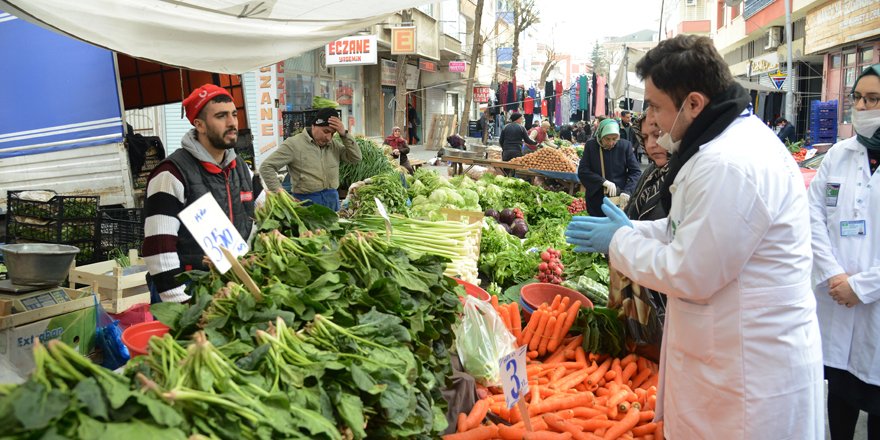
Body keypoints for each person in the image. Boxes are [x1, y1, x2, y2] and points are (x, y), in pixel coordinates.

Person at [565, 34, 824, 439]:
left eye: (655, 106)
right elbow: (687, 231)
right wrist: (633, 229)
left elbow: (691, 272)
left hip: (746, 381)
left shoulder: (730, 164)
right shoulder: (720, 146)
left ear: (695, 104)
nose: (650, 120)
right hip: (724, 361)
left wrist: (618, 243)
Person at [808, 63, 880, 440]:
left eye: (874, 99)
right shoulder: (839, 155)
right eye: (858, 98)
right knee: (839, 402)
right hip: (835, 301)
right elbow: (813, 214)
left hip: (875, 312)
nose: (863, 107)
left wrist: (863, 286)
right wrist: (834, 275)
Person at [143, 84, 262, 303]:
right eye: (221, 116)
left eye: (234, 115)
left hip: (231, 285)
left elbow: (264, 216)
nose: (232, 123)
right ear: (200, 125)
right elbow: (158, 247)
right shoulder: (170, 174)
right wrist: (179, 301)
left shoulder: (242, 169)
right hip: (187, 287)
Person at [259, 108, 360, 211]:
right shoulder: (294, 144)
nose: (328, 137)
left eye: (333, 134)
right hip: (306, 202)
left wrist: (344, 134)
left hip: (332, 199)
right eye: (326, 131)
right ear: (314, 125)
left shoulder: (333, 145)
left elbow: (356, 158)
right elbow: (266, 167)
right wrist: (280, 193)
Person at [577, 118, 641, 217]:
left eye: (614, 139)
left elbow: (636, 172)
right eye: (607, 139)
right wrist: (603, 181)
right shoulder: (591, 146)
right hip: (596, 198)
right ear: (600, 134)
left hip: (619, 197)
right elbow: (583, 171)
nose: (611, 143)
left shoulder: (624, 146)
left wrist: (628, 191)